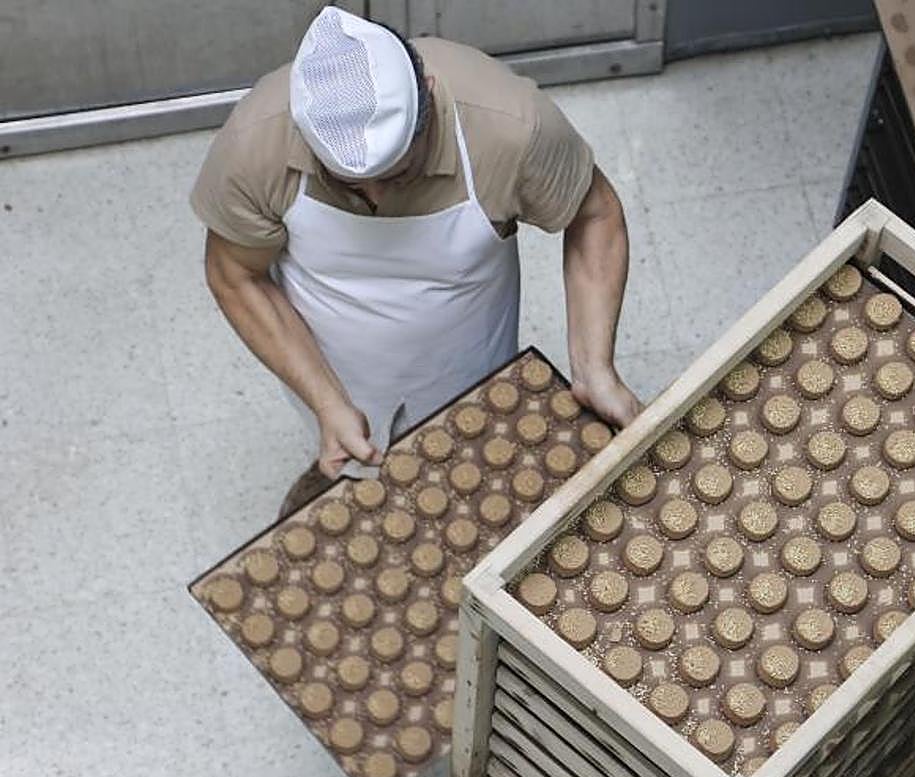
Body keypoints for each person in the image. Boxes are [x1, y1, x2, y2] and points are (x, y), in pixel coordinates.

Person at [190, 6, 641, 513]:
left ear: (427, 92)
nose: (378, 194)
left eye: (399, 169)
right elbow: (235, 275)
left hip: (470, 361)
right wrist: (326, 402)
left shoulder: (508, 127)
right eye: (351, 183)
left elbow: (594, 216)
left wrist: (594, 367)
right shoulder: (257, 144)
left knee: (476, 472)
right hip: (330, 364)